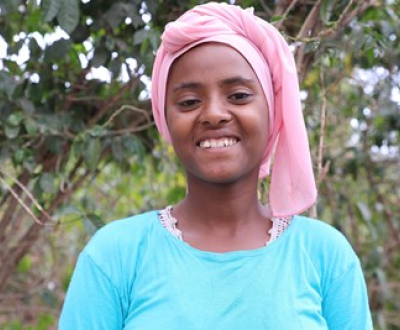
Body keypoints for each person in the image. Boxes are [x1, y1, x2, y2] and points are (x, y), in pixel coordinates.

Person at [59, 2, 373, 329]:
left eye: (238, 96)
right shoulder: (115, 257)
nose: (213, 114)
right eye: (189, 102)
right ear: (165, 119)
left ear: (273, 111)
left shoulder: (325, 256)